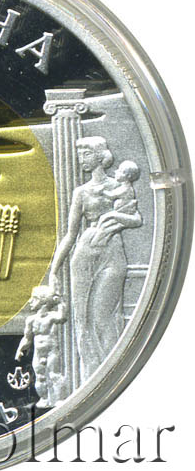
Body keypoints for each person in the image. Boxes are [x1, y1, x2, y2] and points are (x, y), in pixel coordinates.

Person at [49, 137, 142, 383]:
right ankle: (90, 379)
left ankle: (113, 376)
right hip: (84, 253)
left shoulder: (121, 185)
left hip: (112, 252)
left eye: (86, 153)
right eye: (79, 153)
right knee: (82, 319)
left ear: (101, 156)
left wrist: (114, 219)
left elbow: (137, 220)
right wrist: (54, 271)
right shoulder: (81, 192)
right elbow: (70, 235)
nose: (81, 158)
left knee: (104, 317)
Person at [15, 286, 67, 407]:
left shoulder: (52, 316)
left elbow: (62, 317)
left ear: (42, 301)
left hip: (51, 351)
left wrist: (60, 302)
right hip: (38, 353)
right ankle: (44, 399)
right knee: (40, 376)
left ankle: (60, 399)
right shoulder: (31, 320)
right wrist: (20, 349)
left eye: (34, 298)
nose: (30, 301)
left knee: (54, 375)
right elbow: (27, 338)